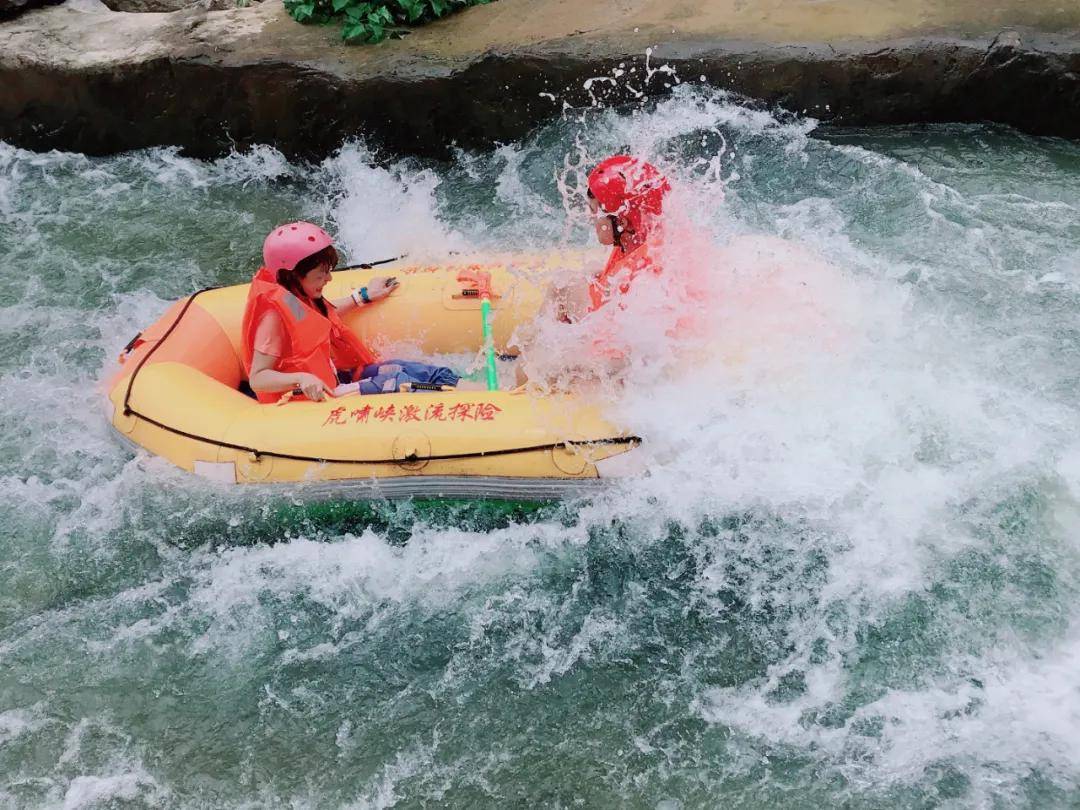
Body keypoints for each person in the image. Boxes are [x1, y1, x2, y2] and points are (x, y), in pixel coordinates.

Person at [242, 221, 462, 403]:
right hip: (311, 399)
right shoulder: (272, 319)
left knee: (406, 368)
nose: (328, 279)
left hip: (333, 379)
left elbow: (319, 316)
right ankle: (466, 407)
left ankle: (482, 391)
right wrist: (301, 378)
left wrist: (363, 296)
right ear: (293, 275)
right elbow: (258, 378)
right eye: (321, 274)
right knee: (395, 381)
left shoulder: (296, 298)